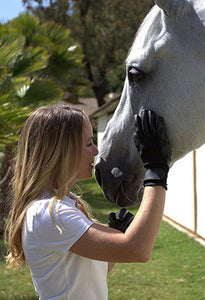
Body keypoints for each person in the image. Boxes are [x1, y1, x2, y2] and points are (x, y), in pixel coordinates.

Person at [5, 104, 171, 300]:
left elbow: (92, 272)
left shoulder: (66, 203)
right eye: (89, 143)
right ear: (62, 151)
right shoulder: (49, 213)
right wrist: (155, 171)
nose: (96, 150)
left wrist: (115, 237)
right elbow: (137, 250)